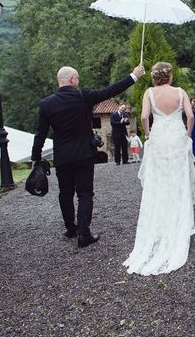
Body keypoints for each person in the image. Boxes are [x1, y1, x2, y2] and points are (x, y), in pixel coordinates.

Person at [32, 64, 144, 248]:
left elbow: (40, 133)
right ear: (71, 80)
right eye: (77, 79)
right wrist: (134, 76)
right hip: (84, 154)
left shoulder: (47, 103)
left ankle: (71, 228)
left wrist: (35, 156)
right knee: (85, 193)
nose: (78, 82)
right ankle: (84, 234)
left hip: (62, 156)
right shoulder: (84, 96)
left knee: (65, 193)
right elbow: (111, 90)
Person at [123, 62, 195, 275]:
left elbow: (145, 116)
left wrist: (148, 134)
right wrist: (188, 134)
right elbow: (190, 116)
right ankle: (180, 221)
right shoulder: (180, 92)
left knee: (159, 182)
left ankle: (160, 221)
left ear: (155, 77)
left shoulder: (149, 93)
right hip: (176, 137)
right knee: (179, 180)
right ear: (170, 76)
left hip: (159, 139)